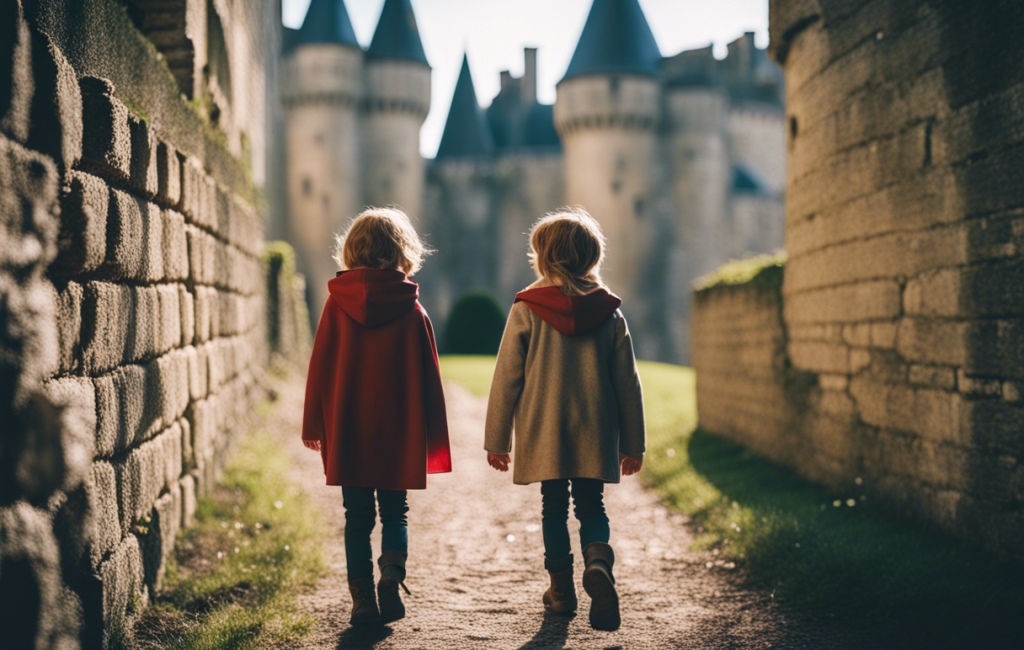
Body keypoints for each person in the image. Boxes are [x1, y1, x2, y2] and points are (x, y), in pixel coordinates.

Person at [484, 206, 646, 632]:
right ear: (591, 258)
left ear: (543, 258)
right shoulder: (609, 312)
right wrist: (634, 444)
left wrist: (497, 439)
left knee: (553, 508)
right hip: (595, 427)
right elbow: (628, 383)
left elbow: (506, 378)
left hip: (544, 428)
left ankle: (561, 590)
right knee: (591, 504)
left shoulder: (527, 307)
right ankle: (598, 561)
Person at [301, 207, 452, 627]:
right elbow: (429, 379)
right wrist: (432, 435)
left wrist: (314, 424)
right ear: (403, 252)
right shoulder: (413, 309)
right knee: (395, 513)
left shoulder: (335, 304)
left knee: (356, 517)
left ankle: (363, 599)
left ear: (351, 251)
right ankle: (392, 573)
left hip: (349, 426)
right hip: (398, 428)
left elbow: (321, 366)